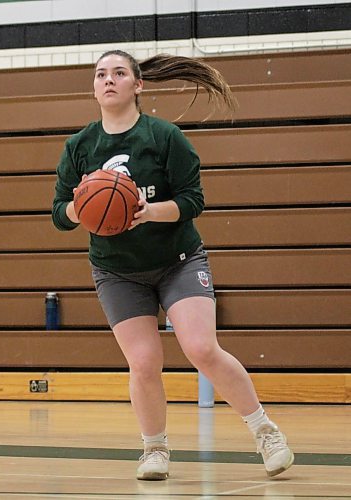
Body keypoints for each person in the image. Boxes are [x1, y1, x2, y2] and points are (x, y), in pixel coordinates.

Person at [52, 49, 294, 481]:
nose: (108, 80)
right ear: (94, 86)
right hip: (117, 270)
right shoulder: (80, 147)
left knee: (201, 348)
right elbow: (58, 214)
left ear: (138, 85)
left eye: (119, 73)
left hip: (177, 260)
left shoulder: (164, 137)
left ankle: (264, 430)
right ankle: (154, 449)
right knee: (144, 363)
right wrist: (80, 207)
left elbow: (193, 200)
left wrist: (148, 211)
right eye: (101, 74)